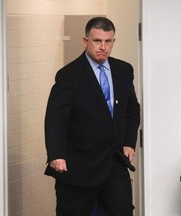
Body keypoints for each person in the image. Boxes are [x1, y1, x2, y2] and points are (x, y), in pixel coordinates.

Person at [44, 16, 140, 216]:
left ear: (113, 42)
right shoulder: (69, 75)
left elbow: (132, 109)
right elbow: (56, 118)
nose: (103, 47)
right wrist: (57, 155)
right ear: (85, 41)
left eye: (108, 41)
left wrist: (129, 142)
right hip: (78, 166)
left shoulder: (123, 70)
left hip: (114, 163)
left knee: (123, 211)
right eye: (97, 41)